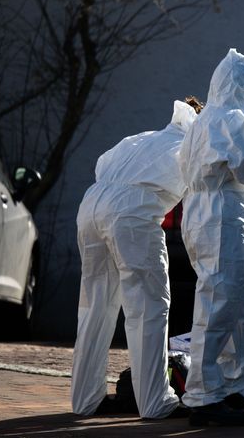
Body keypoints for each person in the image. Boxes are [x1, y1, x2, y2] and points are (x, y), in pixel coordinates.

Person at [71, 98, 200, 419]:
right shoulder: (192, 145)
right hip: (133, 211)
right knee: (149, 307)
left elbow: (102, 165)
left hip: (91, 206)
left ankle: (86, 400)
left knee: (94, 305)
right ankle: (155, 401)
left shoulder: (142, 138)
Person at [177, 48, 244, 426]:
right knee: (220, 303)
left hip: (205, 211)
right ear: (241, 85)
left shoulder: (204, 120)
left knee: (237, 304)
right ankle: (205, 396)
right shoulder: (233, 119)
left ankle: (230, 388)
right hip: (222, 213)